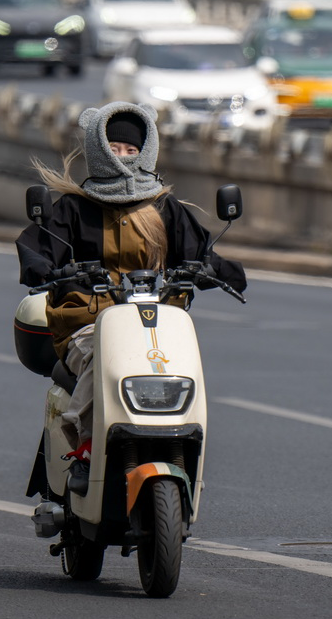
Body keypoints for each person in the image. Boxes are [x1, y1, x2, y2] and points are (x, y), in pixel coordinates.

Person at [15, 101, 246, 489]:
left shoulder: (163, 208)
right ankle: (84, 445)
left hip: (155, 322)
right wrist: (46, 269)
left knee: (181, 364)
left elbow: (201, 252)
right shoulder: (72, 208)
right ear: (98, 150)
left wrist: (219, 272)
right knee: (98, 359)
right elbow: (39, 248)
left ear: (147, 150)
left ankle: (182, 450)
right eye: (114, 148)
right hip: (86, 321)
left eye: (131, 149)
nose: (123, 157)